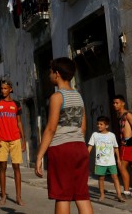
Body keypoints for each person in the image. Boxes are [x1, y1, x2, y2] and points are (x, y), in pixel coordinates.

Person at [35, 57, 93, 214]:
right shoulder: (78, 96)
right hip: (79, 147)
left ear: (57, 74)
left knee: (62, 196)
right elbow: (83, 127)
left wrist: (39, 155)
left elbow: (50, 129)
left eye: (51, 72)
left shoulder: (57, 97)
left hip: (62, 149)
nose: (49, 75)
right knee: (82, 195)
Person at [0, 79, 26, 205]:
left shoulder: (16, 104)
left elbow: (19, 122)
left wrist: (23, 139)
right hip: (2, 139)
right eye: (1, 88)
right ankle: (3, 195)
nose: (3, 90)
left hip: (15, 139)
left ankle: (18, 196)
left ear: (10, 89)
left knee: (17, 167)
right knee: (3, 167)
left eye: (5, 88)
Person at [87, 116, 125, 202]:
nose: (99, 126)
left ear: (106, 126)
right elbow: (89, 147)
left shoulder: (112, 135)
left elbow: (116, 148)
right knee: (101, 178)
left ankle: (119, 195)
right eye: (98, 124)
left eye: (101, 124)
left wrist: (118, 159)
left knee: (115, 177)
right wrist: (85, 157)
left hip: (111, 162)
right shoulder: (95, 135)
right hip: (100, 162)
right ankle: (102, 195)